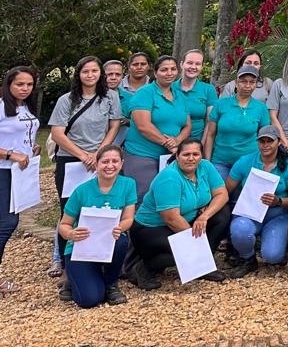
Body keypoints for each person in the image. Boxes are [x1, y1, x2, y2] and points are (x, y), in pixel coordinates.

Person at [49, 56, 122, 281]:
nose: (90, 75)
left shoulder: (110, 97)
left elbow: (114, 125)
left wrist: (99, 153)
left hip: (100, 160)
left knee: (101, 208)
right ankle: (64, 262)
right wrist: (82, 155)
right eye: (85, 72)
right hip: (71, 161)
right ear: (78, 74)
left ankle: (98, 257)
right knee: (69, 212)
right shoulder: (66, 100)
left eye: (94, 71)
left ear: (100, 73)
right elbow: (57, 133)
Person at [126, 137, 230, 289]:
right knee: (182, 249)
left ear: (201, 156)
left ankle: (202, 265)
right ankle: (144, 268)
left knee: (222, 214)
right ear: (177, 156)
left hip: (188, 219)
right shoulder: (169, 177)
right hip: (152, 228)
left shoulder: (206, 167)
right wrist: (195, 246)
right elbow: (171, 218)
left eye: (195, 154)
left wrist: (204, 216)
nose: (191, 158)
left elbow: (222, 194)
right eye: (186, 154)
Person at [57, 143, 136, 308]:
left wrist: (120, 228)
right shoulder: (81, 191)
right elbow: (64, 225)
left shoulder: (128, 184)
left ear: (121, 163)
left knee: (121, 241)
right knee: (89, 300)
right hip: (80, 248)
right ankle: (76, 280)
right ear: (97, 164)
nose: (110, 166)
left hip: (109, 242)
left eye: (115, 161)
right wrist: (71, 234)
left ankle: (110, 283)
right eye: (105, 161)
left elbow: (128, 218)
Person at [225, 126, 288, 275]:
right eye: (262, 141)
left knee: (272, 256)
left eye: (270, 141)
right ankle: (248, 259)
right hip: (249, 213)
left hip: (278, 214)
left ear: (278, 142)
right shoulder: (245, 161)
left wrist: (279, 201)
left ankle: (281, 246)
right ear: (257, 142)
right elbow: (226, 190)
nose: (266, 145)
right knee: (239, 228)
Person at [122, 55, 190, 197]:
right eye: (164, 70)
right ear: (155, 73)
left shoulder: (180, 95)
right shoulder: (145, 93)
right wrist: (168, 143)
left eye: (173, 69)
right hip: (142, 155)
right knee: (144, 197)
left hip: (169, 157)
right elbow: (143, 126)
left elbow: (187, 125)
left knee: (167, 197)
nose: (169, 73)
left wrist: (177, 141)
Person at [0, 67, 40, 294]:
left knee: (8, 222)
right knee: (7, 223)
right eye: (20, 84)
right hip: (3, 170)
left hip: (20, 171)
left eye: (29, 85)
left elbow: (23, 133)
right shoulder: (1, 106)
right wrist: (10, 154)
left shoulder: (25, 107)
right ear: (9, 85)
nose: (25, 89)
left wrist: (30, 146)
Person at [205, 64, 273, 179]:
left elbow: (264, 139)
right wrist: (207, 163)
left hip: (249, 163)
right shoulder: (221, 104)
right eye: (243, 81)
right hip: (220, 162)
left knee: (244, 196)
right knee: (219, 195)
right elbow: (210, 135)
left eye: (252, 82)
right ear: (236, 82)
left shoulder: (261, 108)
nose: (247, 85)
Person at [177, 49, 218, 147]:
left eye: (198, 64)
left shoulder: (208, 90)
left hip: (197, 143)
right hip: (172, 143)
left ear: (202, 67)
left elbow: (210, 121)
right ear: (182, 64)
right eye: (189, 63)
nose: (193, 67)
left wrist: (201, 145)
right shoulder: (170, 88)